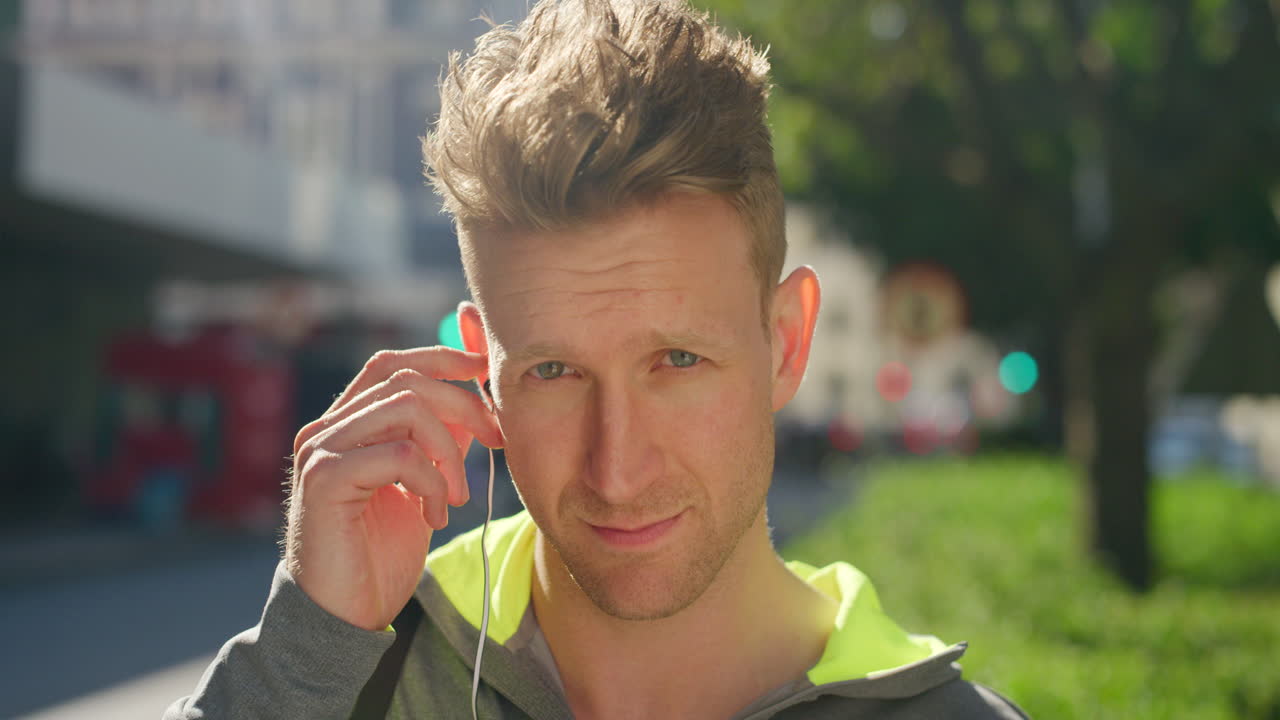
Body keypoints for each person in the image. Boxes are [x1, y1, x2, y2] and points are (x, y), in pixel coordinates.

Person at [166, 1, 1027, 718]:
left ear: (788, 343)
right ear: (483, 369)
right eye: (553, 372)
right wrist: (304, 653)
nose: (616, 471)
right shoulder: (352, 674)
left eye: (678, 360)